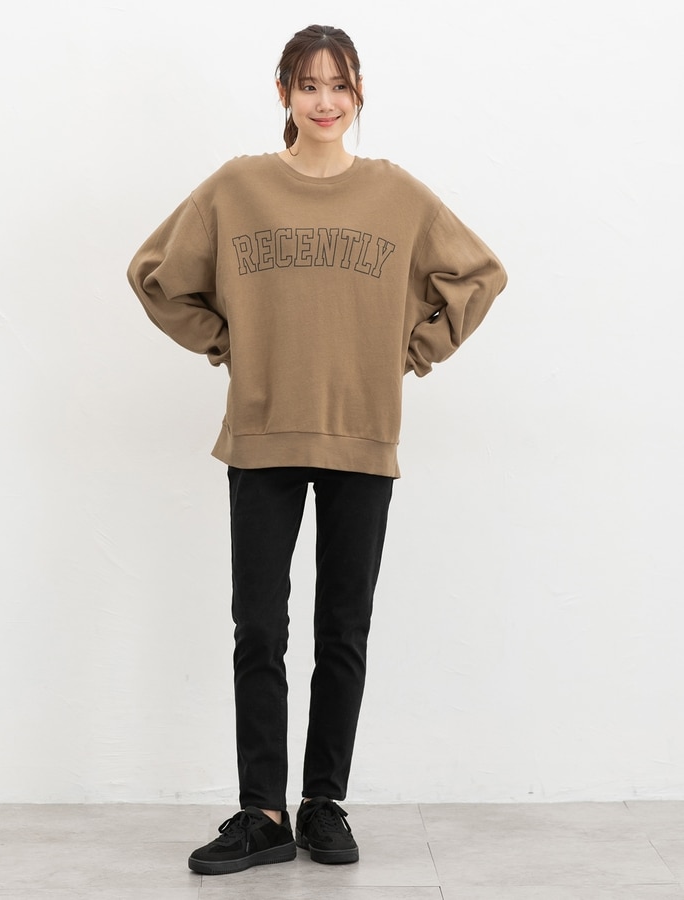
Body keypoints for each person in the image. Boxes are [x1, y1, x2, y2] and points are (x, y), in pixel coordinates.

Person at [127, 23, 507, 876]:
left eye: (339, 85)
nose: (325, 101)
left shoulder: (396, 195)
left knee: (344, 627)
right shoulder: (239, 188)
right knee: (259, 628)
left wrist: (411, 353)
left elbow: (479, 276)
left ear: (359, 92)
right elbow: (155, 273)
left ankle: (322, 802)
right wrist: (228, 342)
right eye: (308, 84)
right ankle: (262, 813)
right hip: (262, 433)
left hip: (362, 434)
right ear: (284, 93)